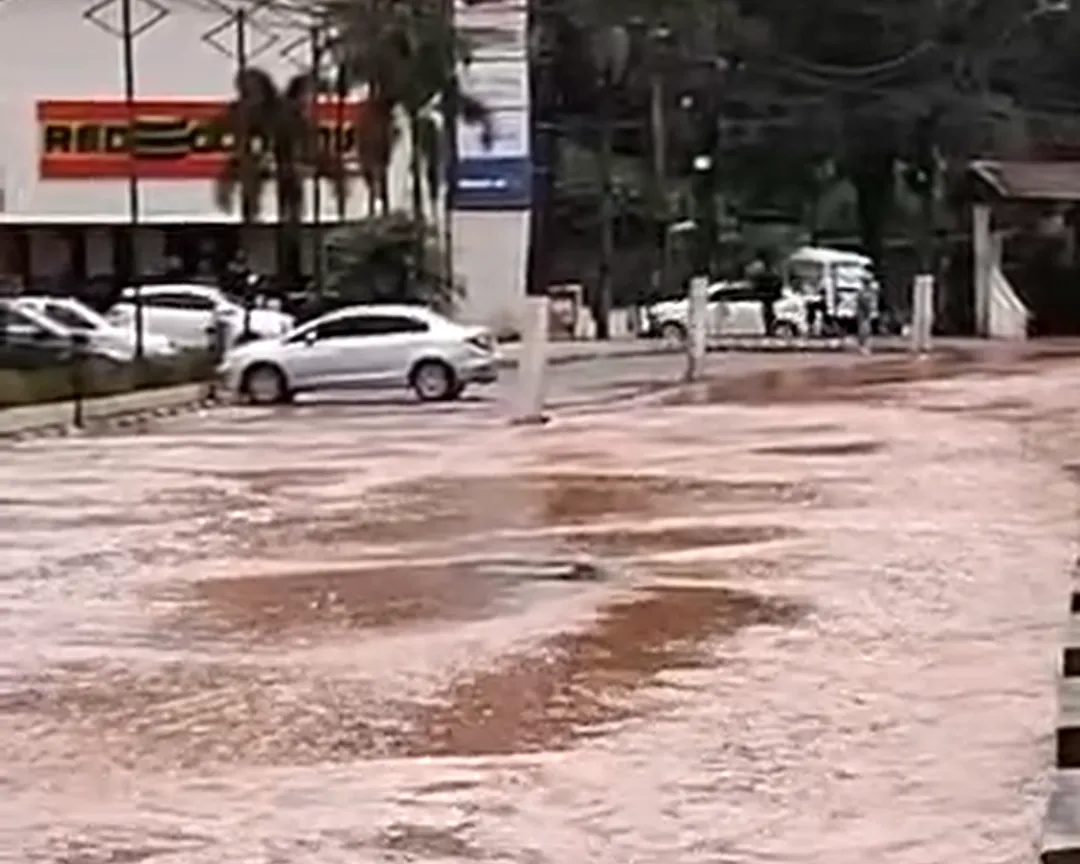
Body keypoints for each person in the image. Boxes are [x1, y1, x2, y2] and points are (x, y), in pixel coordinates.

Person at [748, 251, 783, 336]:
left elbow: (756, 285)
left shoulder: (763, 274)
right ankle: (770, 329)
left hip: (766, 296)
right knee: (769, 313)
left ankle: (770, 329)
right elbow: (778, 282)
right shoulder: (772, 273)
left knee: (768, 313)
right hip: (769, 296)